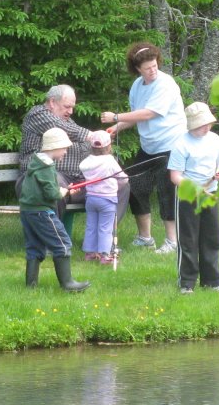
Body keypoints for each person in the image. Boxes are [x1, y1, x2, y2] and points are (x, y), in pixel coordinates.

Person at [101, 42, 186, 255]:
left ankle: (172, 241)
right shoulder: (137, 86)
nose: (153, 70)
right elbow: (137, 115)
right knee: (134, 185)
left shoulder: (166, 84)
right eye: (148, 67)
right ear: (138, 69)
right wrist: (116, 128)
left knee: (167, 192)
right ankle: (145, 237)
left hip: (170, 145)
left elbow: (149, 113)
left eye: (155, 65)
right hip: (149, 147)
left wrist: (116, 116)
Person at [167, 102, 219, 294]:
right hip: (188, 196)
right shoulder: (181, 144)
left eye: (208, 123)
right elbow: (175, 176)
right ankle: (187, 283)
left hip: (211, 193)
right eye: (202, 124)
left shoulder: (215, 140)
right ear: (192, 125)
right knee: (188, 238)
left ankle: (213, 281)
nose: (207, 127)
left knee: (212, 237)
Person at [19, 127, 90, 292]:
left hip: (28, 211)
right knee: (62, 243)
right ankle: (68, 284)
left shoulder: (37, 162)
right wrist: (62, 191)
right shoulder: (46, 166)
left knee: (34, 246)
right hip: (41, 212)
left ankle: (31, 285)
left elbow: (44, 187)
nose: (65, 152)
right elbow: (52, 192)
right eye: (64, 148)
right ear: (54, 148)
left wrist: (65, 191)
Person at [77, 131, 128, 264]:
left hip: (91, 199)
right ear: (109, 146)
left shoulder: (86, 162)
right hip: (107, 200)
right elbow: (123, 179)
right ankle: (105, 255)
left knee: (91, 226)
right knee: (105, 228)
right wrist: (118, 185)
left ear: (91, 147)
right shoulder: (110, 161)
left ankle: (90, 253)